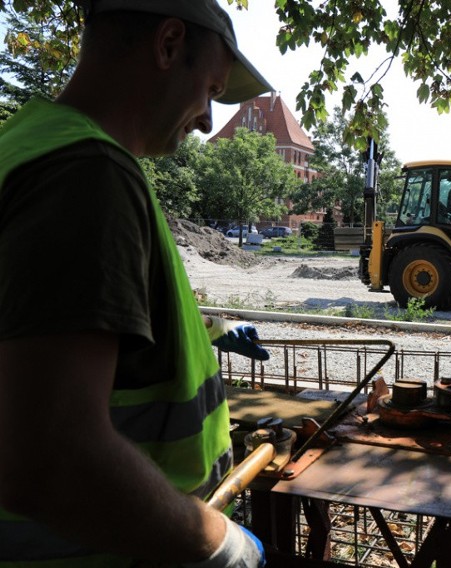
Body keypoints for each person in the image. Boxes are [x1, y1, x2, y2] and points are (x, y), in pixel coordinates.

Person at [0, 1, 274, 566]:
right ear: (168, 45)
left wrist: (209, 330)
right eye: (210, 90)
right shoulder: (88, 174)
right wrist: (216, 544)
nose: (205, 119)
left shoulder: (27, 148)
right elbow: (53, 457)